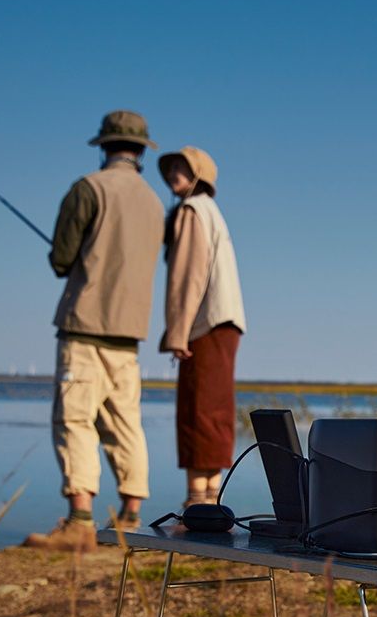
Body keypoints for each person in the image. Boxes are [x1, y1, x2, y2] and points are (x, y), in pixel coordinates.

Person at [23, 111, 165, 551]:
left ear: (104, 146)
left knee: (75, 419)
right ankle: (131, 518)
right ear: (141, 152)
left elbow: (61, 259)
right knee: (126, 423)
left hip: (85, 324)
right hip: (130, 332)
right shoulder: (155, 203)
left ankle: (80, 521)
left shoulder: (88, 188)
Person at [156, 146, 247, 507]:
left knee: (199, 410)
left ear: (198, 174)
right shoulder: (213, 212)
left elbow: (187, 276)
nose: (173, 173)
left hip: (206, 323)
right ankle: (209, 497)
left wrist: (177, 332)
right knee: (215, 408)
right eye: (171, 168)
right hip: (224, 320)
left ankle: (197, 501)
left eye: (182, 167)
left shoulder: (193, 210)